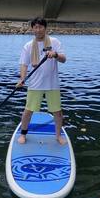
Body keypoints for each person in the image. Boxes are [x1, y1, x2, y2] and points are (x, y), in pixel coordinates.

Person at [16, 17, 67, 145]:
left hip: (52, 84)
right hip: (35, 84)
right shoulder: (28, 46)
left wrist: (55, 54)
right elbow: (23, 64)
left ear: (45, 28)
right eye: (35, 27)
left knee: (57, 112)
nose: (38, 30)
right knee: (28, 111)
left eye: (40, 27)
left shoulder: (54, 42)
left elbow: (63, 59)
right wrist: (22, 79)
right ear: (32, 28)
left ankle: (58, 136)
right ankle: (23, 134)